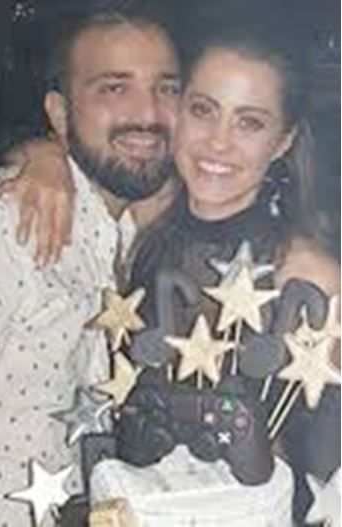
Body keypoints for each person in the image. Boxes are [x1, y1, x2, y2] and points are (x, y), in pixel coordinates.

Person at [0, 9, 180, 525]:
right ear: (58, 113)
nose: (148, 113)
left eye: (166, 88)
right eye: (114, 88)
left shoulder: (138, 230)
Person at [127, 29, 340, 522]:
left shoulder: (310, 277)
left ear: (283, 141)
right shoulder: (142, 227)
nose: (218, 142)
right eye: (203, 110)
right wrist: (39, 157)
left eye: (249, 122)